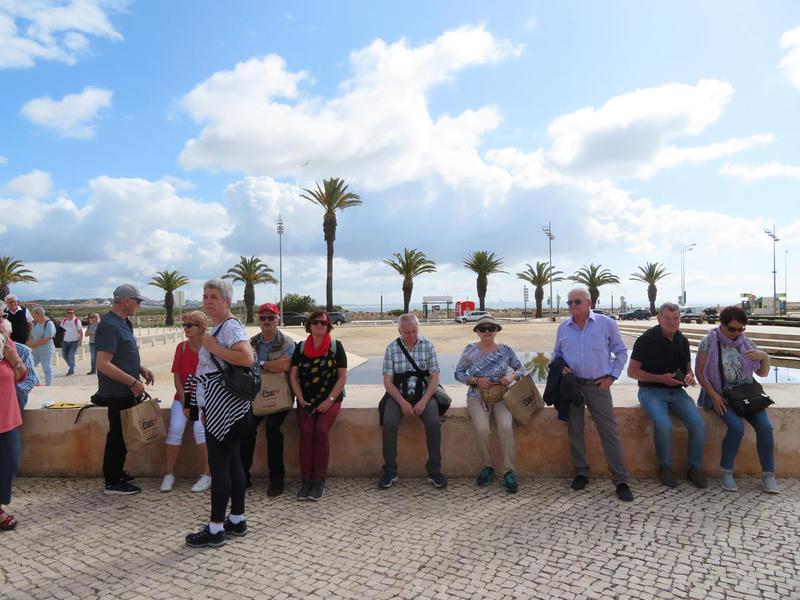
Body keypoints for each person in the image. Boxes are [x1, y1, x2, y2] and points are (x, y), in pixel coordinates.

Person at [185, 279, 254, 548]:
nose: (208, 301)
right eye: (205, 296)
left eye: (214, 296)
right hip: (227, 407)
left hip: (223, 409)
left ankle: (215, 529)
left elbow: (247, 358)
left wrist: (214, 348)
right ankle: (237, 519)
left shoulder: (230, 327)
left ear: (227, 301)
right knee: (233, 463)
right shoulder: (220, 327)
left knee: (220, 466)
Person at [551, 288, 634, 502]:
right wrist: (560, 367)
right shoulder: (563, 328)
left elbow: (621, 352)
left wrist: (612, 377)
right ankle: (581, 472)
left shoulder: (606, 323)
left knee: (609, 432)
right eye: (569, 302)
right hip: (573, 387)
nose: (572, 306)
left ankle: (621, 480)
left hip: (599, 386)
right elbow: (556, 355)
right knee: (575, 431)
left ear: (589, 302)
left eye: (577, 301)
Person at [695, 305, 777, 494]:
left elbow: (762, 373)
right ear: (722, 325)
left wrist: (764, 357)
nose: (737, 333)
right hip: (721, 394)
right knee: (736, 427)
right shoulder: (708, 342)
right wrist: (714, 395)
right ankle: (726, 472)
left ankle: (768, 474)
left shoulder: (746, 343)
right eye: (733, 329)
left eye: (741, 329)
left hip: (746, 395)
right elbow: (699, 372)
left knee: (765, 427)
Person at [627, 302, 707, 488]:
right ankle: (665, 467)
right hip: (650, 391)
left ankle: (694, 468)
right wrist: (660, 379)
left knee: (699, 425)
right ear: (659, 319)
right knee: (663, 424)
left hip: (677, 391)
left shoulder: (682, 340)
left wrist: (689, 376)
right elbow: (632, 372)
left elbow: (688, 369)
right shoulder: (646, 340)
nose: (672, 322)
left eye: (676, 318)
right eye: (668, 318)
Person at [95, 284, 154, 496]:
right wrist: (132, 382)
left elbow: (122, 355)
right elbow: (103, 364)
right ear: (126, 301)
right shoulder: (110, 325)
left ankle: (118, 472)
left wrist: (140, 369)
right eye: (138, 301)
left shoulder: (123, 323)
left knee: (123, 434)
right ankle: (112, 481)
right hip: (117, 391)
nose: (139, 305)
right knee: (117, 436)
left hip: (126, 390)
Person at [455, 316, 526, 493]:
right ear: (477, 332)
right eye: (483, 329)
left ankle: (509, 471)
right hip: (477, 396)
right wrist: (475, 380)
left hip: (502, 397)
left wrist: (511, 376)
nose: (487, 332)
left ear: (496, 330)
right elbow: (458, 373)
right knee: (482, 429)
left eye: (491, 328)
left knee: (505, 427)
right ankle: (488, 467)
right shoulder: (470, 350)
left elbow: (521, 369)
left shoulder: (506, 350)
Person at [379, 313, 446, 490]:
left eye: (414, 331)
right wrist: (402, 402)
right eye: (407, 332)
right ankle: (390, 470)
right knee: (389, 423)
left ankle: (434, 471)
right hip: (398, 396)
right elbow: (388, 382)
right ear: (399, 331)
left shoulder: (428, 345)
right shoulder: (392, 348)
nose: (411, 335)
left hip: (424, 395)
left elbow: (435, 378)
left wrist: (423, 402)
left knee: (433, 423)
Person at [290, 310, 347, 501]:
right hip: (306, 401)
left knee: (321, 431)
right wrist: (301, 399)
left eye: (323, 323)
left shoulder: (336, 347)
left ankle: (318, 481)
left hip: (330, 400)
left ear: (328, 326)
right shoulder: (300, 348)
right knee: (306, 433)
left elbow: (342, 377)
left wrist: (329, 400)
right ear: (309, 325)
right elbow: (293, 376)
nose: (319, 325)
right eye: (315, 322)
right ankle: (306, 481)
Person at [241, 303, 295, 497]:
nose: (266, 321)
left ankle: (277, 479)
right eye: (263, 318)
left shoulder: (287, 342)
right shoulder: (252, 342)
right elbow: (244, 363)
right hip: (256, 396)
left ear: (277, 319)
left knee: (273, 429)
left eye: (271, 318)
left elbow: (286, 365)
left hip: (280, 396)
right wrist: (272, 365)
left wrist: (260, 363)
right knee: (246, 428)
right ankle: (243, 476)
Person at [160, 311, 211, 494]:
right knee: (175, 428)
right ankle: (169, 474)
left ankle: (207, 474)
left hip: (205, 398)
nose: (186, 329)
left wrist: (196, 404)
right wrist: (186, 403)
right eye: (184, 325)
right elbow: (177, 378)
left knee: (200, 430)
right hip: (183, 398)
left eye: (190, 325)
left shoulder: (210, 347)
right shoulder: (181, 348)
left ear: (201, 327)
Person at [0, 323, 28, 531]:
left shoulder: (5, 342)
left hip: (7, 416)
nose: (1, 321)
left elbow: (20, 376)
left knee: (11, 463)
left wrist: (15, 360)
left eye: (1, 317)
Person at [0, 306, 37, 410]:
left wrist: (11, 391)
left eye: (2, 333)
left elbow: (30, 380)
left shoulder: (22, 350)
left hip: (14, 398)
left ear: (9, 333)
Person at [28, 307, 55, 385]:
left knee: (47, 369)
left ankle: (48, 386)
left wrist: (33, 344)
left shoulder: (49, 324)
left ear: (39, 314)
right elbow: (32, 334)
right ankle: (38, 383)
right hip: (35, 351)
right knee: (30, 367)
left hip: (46, 351)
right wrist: (30, 341)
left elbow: (47, 339)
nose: (33, 317)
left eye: (34, 315)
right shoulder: (36, 323)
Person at [59, 308, 83, 376]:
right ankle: (72, 365)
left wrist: (80, 341)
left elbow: (80, 332)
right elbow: (61, 331)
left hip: (74, 342)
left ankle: (71, 370)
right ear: (66, 314)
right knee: (64, 355)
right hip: (65, 341)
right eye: (68, 313)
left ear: (74, 313)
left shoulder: (76, 321)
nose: (70, 314)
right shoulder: (64, 321)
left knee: (71, 355)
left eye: (71, 313)